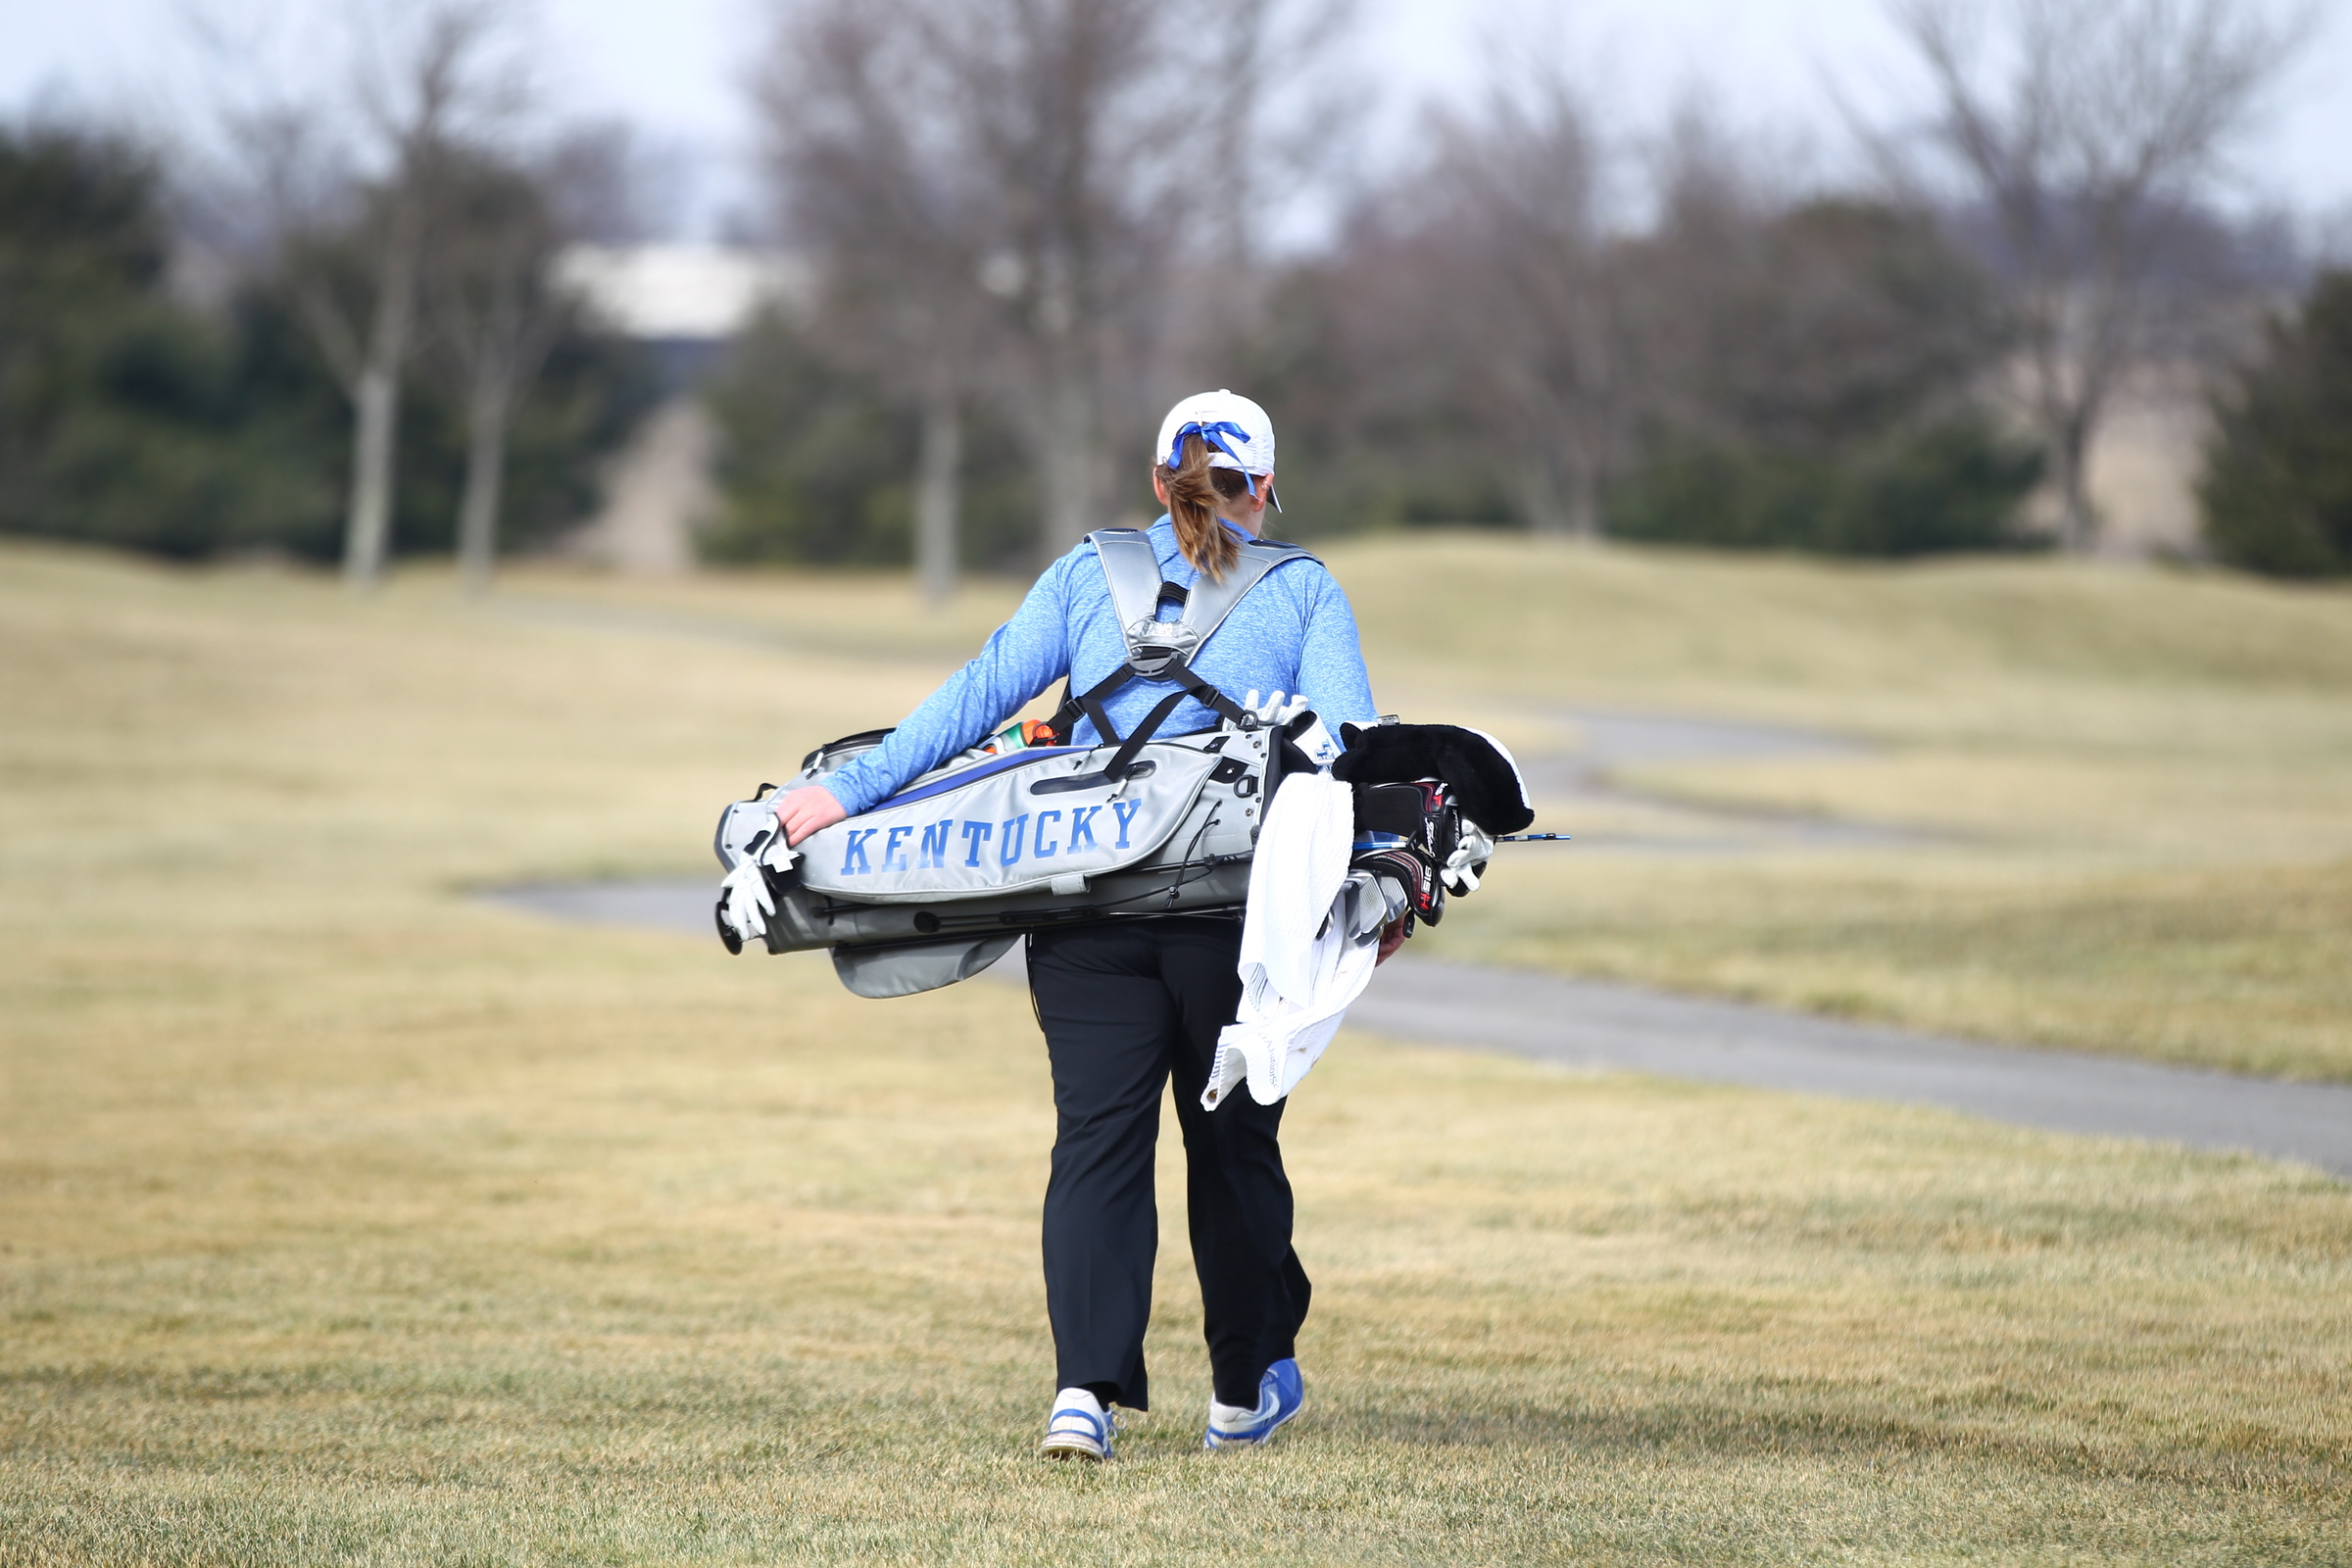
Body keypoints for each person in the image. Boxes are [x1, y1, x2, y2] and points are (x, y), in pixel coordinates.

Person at [769, 389, 1393, 1459]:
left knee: (1096, 1146)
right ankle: (1242, 1391)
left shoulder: (1083, 574)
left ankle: (1083, 1396)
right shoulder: (1302, 590)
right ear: (1268, 488)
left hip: (1082, 909)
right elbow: (1348, 751)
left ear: (1159, 481)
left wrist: (848, 791)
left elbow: (974, 702)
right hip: (1234, 928)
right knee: (1234, 1148)